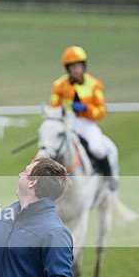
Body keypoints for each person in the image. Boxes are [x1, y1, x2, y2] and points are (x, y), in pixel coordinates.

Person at [50, 45, 118, 189]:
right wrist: (64, 112)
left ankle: (109, 177)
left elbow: (101, 111)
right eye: (72, 66)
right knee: (52, 149)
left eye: (79, 65)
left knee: (97, 148)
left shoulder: (95, 84)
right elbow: (53, 108)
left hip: (87, 123)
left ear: (83, 66)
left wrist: (86, 108)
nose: (76, 69)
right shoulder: (59, 85)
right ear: (67, 68)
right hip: (67, 124)